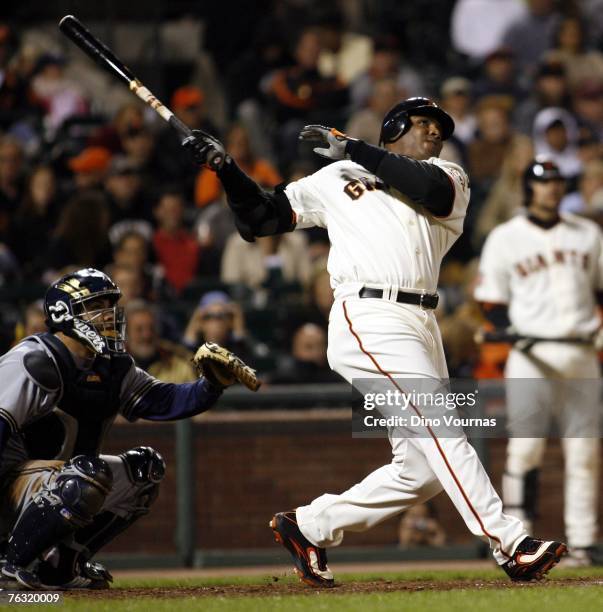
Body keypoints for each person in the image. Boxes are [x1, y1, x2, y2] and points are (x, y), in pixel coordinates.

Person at [183, 96, 567, 585]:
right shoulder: (333, 179)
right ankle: (511, 543)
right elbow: (259, 220)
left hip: (424, 323)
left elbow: (425, 186)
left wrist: (354, 148)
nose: (435, 134)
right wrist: (227, 170)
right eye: (423, 124)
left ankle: (309, 526)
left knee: (420, 471)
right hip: (368, 313)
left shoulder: (449, 176)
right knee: (442, 425)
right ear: (394, 129)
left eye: (440, 128)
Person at [0, 268, 258, 590]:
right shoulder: (34, 359)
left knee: (145, 471)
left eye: (111, 305)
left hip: (63, 480)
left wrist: (209, 387)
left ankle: (62, 564)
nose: (109, 316)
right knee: (85, 476)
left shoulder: (113, 365)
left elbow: (163, 401)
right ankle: (8, 566)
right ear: (63, 313)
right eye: (97, 307)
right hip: (9, 485)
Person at [474, 159, 602, 568]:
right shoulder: (506, 237)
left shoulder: (588, 234)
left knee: (585, 452)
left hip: (582, 350)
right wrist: (507, 327)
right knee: (524, 450)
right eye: (542, 183)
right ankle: (517, 539)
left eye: (556, 183)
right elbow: (491, 300)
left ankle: (583, 542)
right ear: (527, 188)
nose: (550, 189)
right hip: (530, 355)